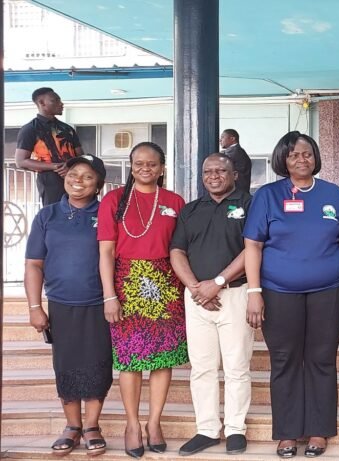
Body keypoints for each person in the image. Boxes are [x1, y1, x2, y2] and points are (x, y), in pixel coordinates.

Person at [243, 131, 339, 459]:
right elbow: (253, 245)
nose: (301, 159)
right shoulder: (268, 195)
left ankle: (319, 430)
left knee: (322, 360)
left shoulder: (333, 193)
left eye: (307, 154)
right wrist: (254, 292)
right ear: (283, 160)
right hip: (278, 293)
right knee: (284, 360)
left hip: (328, 292)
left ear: (315, 157)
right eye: (293, 155)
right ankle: (288, 432)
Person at [97, 142, 187, 458]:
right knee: (130, 358)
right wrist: (109, 295)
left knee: (162, 358)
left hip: (167, 285)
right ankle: (133, 425)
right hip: (126, 283)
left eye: (152, 164)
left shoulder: (175, 201)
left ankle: (154, 422)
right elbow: (106, 252)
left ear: (162, 168)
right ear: (131, 166)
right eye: (139, 163)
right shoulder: (113, 200)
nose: (145, 168)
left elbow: (181, 248)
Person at [24, 154, 111, 457]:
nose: (78, 181)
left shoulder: (107, 214)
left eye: (87, 177)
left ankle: (92, 426)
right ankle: (72, 426)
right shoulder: (47, 215)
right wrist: (35, 306)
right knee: (66, 366)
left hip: (100, 304)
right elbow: (34, 264)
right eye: (73, 174)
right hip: (61, 304)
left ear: (98, 185)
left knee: (98, 364)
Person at [169, 153, 254, 456]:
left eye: (221, 171)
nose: (214, 176)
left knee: (236, 366)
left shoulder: (249, 204)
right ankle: (206, 429)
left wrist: (216, 282)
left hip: (234, 294)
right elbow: (177, 251)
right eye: (208, 171)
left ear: (235, 175)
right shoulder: (191, 210)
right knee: (202, 367)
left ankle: (235, 429)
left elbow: (253, 249)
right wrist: (195, 287)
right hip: (196, 299)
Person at [15, 87, 85, 206]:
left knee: (81, 212)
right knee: (55, 214)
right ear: (41, 103)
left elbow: (81, 156)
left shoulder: (67, 129)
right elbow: (20, 161)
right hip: (50, 182)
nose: (61, 103)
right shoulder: (30, 129)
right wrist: (55, 166)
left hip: (76, 179)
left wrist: (71, 167)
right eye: (55, 100)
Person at [220, 129, 253, 193]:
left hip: (236, 193)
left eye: (222, 137)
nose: (220, 140)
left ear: (232, 138)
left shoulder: (235, 152)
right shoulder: (238, 151)